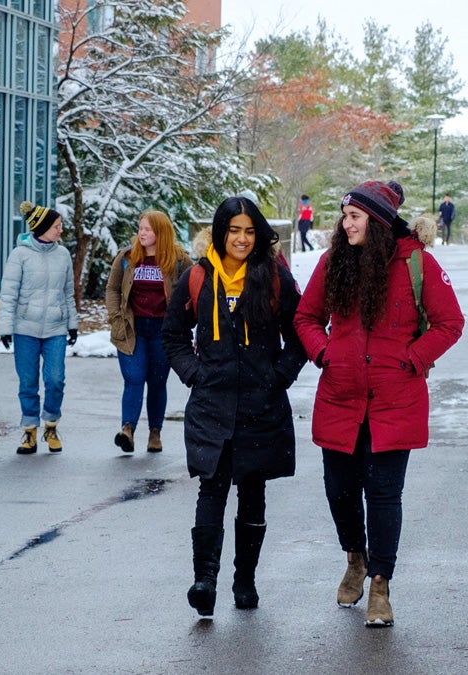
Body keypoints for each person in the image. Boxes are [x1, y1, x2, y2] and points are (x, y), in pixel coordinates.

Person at [294, 181, 464, 628]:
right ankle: (355, 557)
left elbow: (450, 323)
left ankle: (380, 586)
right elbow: (305, 316)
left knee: (384, 496)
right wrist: (323, 352)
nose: (345, 224)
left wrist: (413, 358)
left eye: (354, 216)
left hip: (395, 400)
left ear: (379, 221)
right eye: (344, 216)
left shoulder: (416, 263)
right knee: (341, 492)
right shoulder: (333, 263)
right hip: (341, 397)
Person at [162, 196, 308, 620]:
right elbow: (172, 336)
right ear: (220, 232)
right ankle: (204, 580)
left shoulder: (275, 278)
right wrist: (194, 373)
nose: (242, 239)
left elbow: (300, 334)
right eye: (234, 230)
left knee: (253, 492)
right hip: (212, 403)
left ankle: (245, 579)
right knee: (211, 487)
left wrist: (279, 376)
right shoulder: (197, 278)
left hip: (261, 405)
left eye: (249, 230)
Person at [105, 210, 193, 453]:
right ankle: (127, 430)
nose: (141, 233)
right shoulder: (127, 257)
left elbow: (193, 291)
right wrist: (116, 318)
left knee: (157, 381)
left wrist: (186, 320)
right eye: (140, 228)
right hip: (132, 328)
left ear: (160, 233)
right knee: (133, 378)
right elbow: (112, 289)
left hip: (163, 330)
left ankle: (155, 432)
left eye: (147, 229)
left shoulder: (179, 260)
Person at [0, 200, 79, 455]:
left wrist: (72, 324)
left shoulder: (63, 255)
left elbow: (68, 293)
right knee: (28, 382)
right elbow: (8, 293)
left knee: (55, 380)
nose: (61, 230)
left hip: (55, 328)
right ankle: (29, 431)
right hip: (25, 329)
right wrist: (5, 327)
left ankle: (51, 425)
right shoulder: (19, 255)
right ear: (42, 227)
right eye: (57, 226)